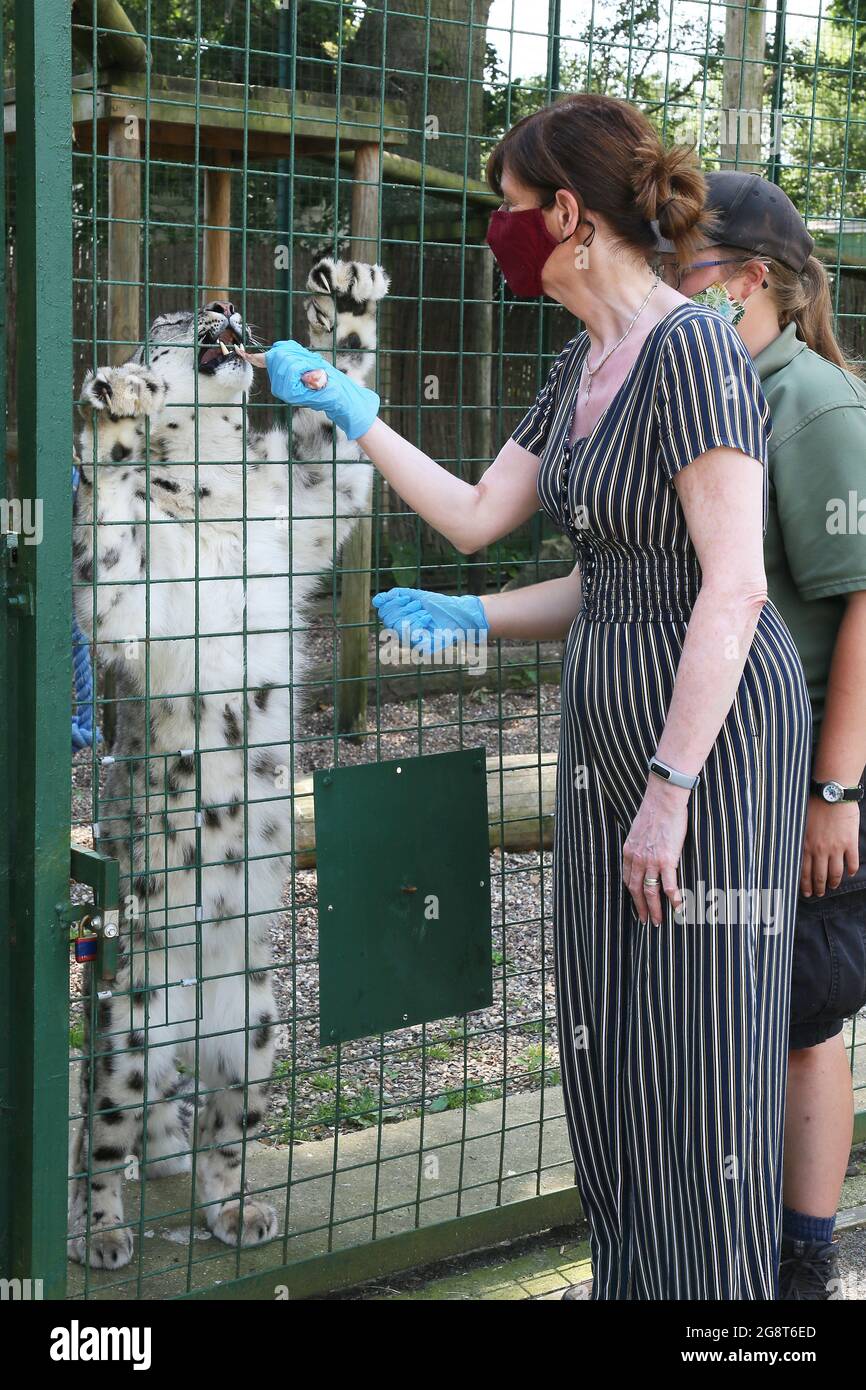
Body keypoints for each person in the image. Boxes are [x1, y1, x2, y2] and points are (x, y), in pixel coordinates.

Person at [256, 94, 812, 1300]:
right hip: (602, 724)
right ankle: (634, 1284)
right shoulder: (579, 360)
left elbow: (728, 587)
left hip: (707, 742)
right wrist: (355, 416)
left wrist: (669, 790)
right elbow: (476, 521)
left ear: (566, 214)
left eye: (507, 210)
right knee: (605, 1039)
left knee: (700, 1051)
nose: (494, 233)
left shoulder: (693, 349)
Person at [665, 173, 866, 1300]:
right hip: (720, 771)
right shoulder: (713, 388)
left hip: (800, 778)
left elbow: (861, 609)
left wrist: (831, 790)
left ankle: (802, 1255)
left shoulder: (814, 405)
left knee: (797, 1013)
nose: (662, 291)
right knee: (728, 1005)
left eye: (682, 271)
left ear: (751, 279)